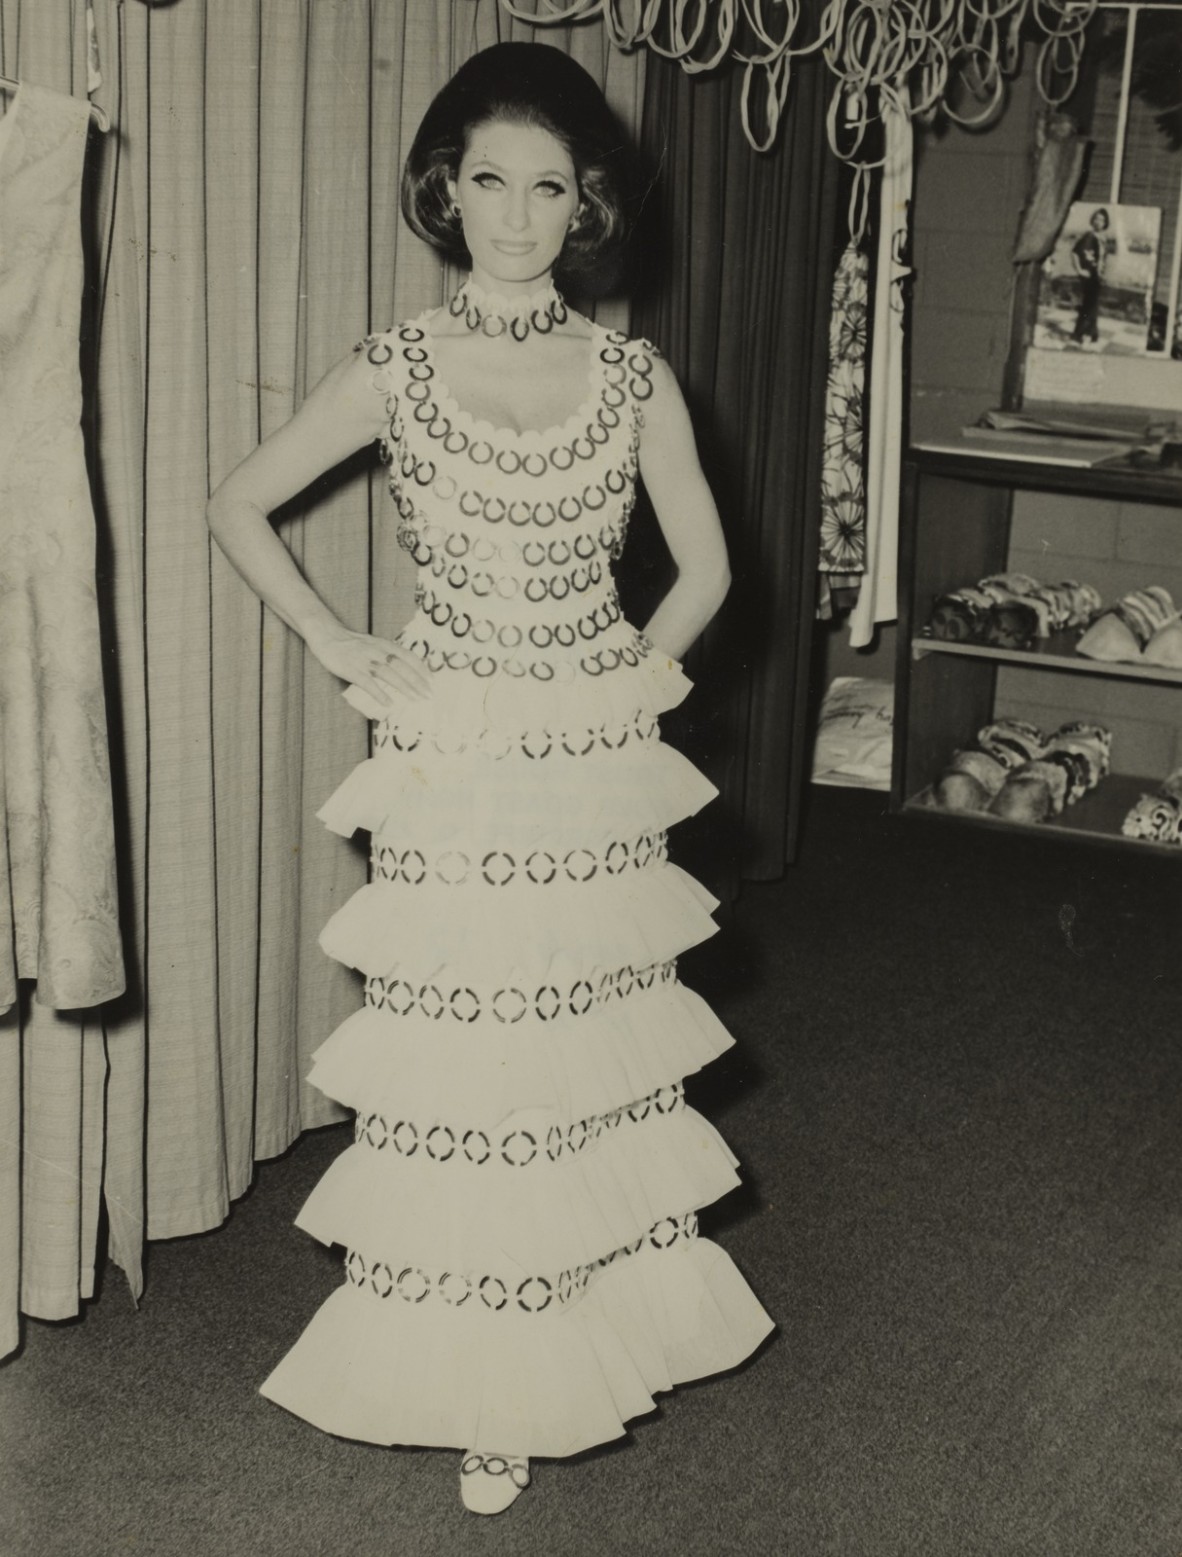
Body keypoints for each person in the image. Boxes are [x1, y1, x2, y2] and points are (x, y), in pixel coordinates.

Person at [207, 42, 773, 1517]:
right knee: (475, 1048)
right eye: (486, 185)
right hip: (453, 749)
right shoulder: (395, 364)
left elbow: (706, 567)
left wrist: (629, 674)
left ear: (583, 203)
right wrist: (344, 643)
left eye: (546, 188)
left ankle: (599, 1317)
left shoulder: (630, 373)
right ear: (443, 193)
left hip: (588, 752)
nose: (514, 219)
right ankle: (487, 1376)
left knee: (584, 1038)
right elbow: (239, 501)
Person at [1069, 206, 1109, 347]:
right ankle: (1078, 334)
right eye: (1097, 218)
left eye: (1102, 220)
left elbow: (1102, 258)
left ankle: (1092, 333)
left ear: (1105, 223)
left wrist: (1103, 273)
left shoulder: (1102, 238)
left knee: (1092, 304)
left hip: (1097, 276)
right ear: (1092, 220)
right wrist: (1079, 270)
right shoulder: (1089, 236)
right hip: (1088, 276)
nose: (1099, 222)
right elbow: (1074, 252)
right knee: (1088, 306)